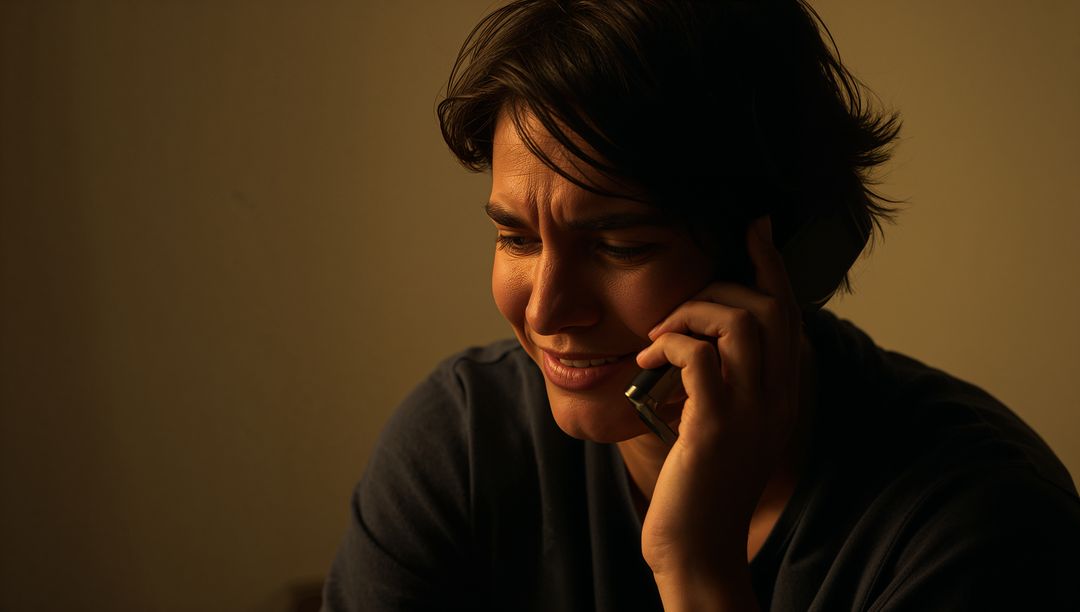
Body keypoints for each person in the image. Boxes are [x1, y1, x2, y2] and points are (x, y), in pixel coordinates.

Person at [321, 1, 1080, 610]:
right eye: (517, 238)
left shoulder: (982, 525)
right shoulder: (460, 443)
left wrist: (697, 569)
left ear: (790, 255)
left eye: (620, 247)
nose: (547, 311)